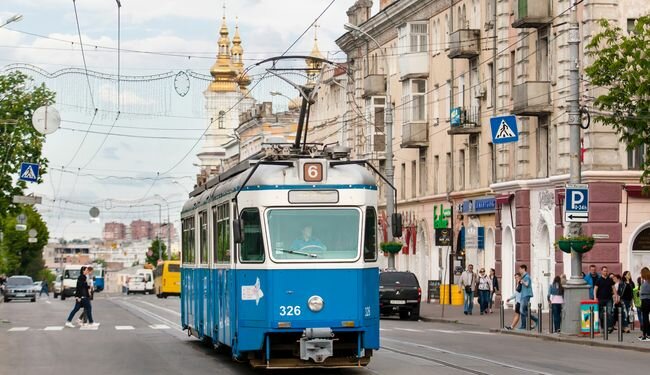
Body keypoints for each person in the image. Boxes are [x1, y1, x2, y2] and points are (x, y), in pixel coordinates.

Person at [593, 266, 616, 334]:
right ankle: (603, 327)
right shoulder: (599, 280)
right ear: (601, 271)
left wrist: (616, 296)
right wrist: (595, 297)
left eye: (606, 271)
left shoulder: (610, 280)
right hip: (601, 299)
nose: (605, 272)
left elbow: (613, 288)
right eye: (604, 271)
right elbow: (595, 289)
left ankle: (609, 327)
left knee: (609, 313)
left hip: (609, 299)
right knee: (601, 314)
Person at [518, 264, 538, 330]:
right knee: (524, 310)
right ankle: (523, 325)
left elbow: (527, 284)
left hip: (526, 295)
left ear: (523, 269)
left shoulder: (527, 276)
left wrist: (522, 281)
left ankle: (536, 320)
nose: (519, 270)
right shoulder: (523, 276)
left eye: (520, 269)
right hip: (523, 294)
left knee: (522, 310)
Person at [640, 267, 650, 342]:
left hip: (645, 301)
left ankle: (645, 334)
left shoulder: (644, 282)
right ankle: (647, 334)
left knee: (645, 318)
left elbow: (642, 292)